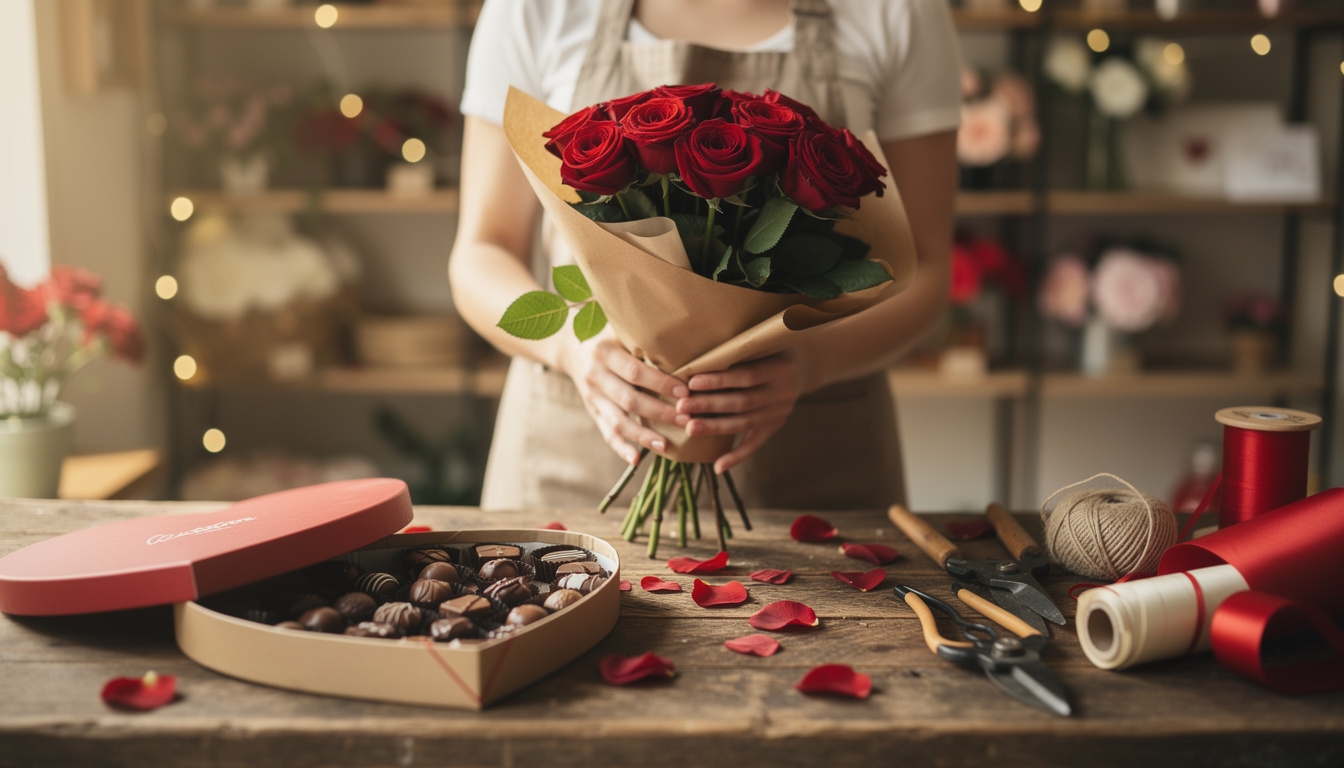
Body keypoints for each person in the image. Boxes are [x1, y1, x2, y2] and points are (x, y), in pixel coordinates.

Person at [449, 0, 962, 511]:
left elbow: (925, 270)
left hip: (813, 462)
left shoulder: (899, 9)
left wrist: (809, 363)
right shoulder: (533, 7)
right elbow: (481, 250)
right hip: (573, 456)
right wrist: (570, 348)